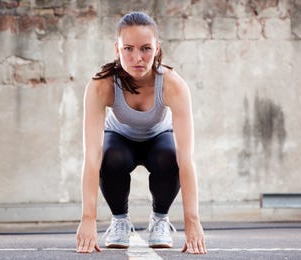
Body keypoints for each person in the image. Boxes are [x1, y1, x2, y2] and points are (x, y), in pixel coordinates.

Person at [76, 11, 207, 255]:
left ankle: (159, 220)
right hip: (119, 140)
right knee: (110, 155)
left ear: (158, 48)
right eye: (129, 49)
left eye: (146, 48)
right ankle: (120, 221)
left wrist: (193, 221)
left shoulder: (172, 84)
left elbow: (186, 159)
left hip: (158, 139)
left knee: (170, 155)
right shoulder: (101, 84)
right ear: (117, 49)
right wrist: (88, 218)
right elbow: (92, 156)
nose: (137, 57)